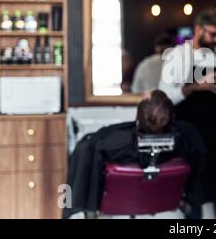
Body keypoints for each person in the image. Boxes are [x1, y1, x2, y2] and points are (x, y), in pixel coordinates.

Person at [63, 90, 205, 218]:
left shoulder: (104, 143)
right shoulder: (188, 138)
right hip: (164, 206)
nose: (146, 91)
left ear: (137, 117)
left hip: (118, 206)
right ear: (171, 117)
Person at [159, 10, 216, 219]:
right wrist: (194, 87)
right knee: (193, 196)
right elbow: (164, 96)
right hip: (188, 137)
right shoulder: (177, 56)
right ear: (198, 30)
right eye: (213, 34)